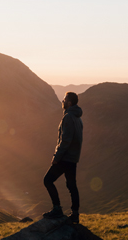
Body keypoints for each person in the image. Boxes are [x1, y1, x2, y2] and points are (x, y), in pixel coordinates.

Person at [42, 91, 83, 224]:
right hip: (73, 158)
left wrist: (56, 157)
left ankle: (57, 209)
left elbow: (65, 140)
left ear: (69, 103)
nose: (63, 101)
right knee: (72, 186)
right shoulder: (78, 118)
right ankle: (75, 214)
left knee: (48, 180)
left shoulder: (68, 117)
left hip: (65, 157)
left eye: (64, 100)